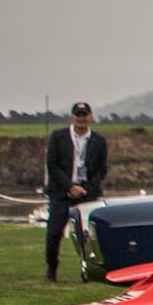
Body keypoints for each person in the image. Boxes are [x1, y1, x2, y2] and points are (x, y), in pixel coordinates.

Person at [43, 101, 108, 283]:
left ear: (90, 116)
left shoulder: (99, 140)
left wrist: (85, 189)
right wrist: (69, 186)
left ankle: (87, 270)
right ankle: (51, 268)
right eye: (78, 115)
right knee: (54, 232)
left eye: (84, 115)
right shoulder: (58, 137)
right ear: (72, 117)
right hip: (61, 193)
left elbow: (101, 169)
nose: (81, 118)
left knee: (86, 236)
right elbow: (52, 165)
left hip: (87, 194)